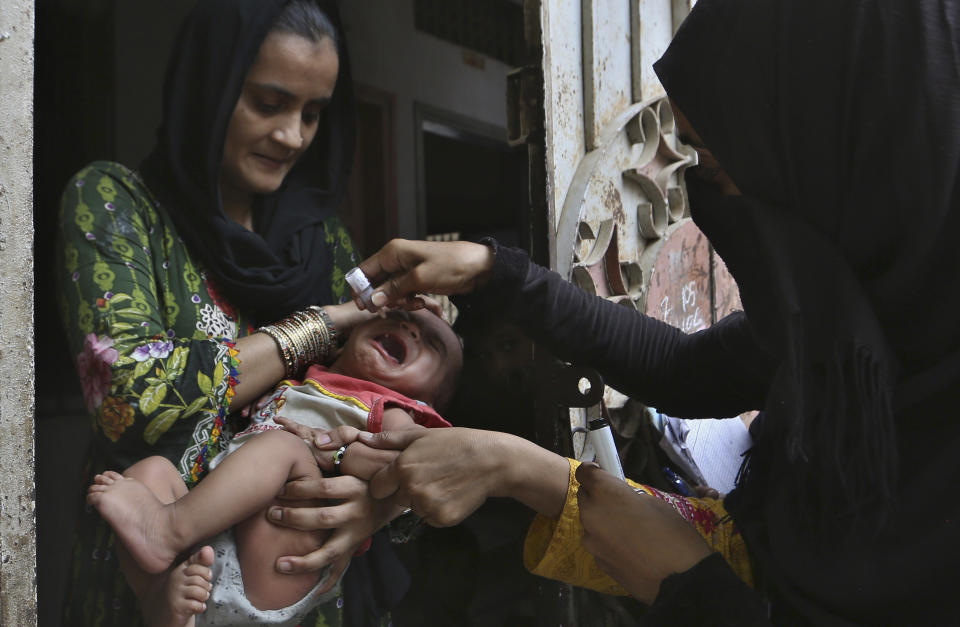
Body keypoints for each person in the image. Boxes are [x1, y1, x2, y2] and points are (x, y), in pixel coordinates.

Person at [263, 0, 960, 623]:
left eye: (715, 165)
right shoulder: (849, 317)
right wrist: (495, 270)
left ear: (836, 152)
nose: (700, 198)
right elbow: (686, 366)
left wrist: (681, 576)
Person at [55, 1, 391, 625]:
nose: (292, 135)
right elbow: (136, 401)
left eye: (312, 114)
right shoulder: (115, 206)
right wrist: (315, 327)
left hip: (301, 590)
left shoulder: (325, 244)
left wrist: (371, 504)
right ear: (210, 87)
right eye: (268, 103)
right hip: (154, 589)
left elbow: (378, 406)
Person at [87, 309, 462, 627]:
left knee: (285, 447)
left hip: (286, 550)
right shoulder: (300, 381)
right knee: (151, 471)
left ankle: (166, 529)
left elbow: (415, 463)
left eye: (432, 343)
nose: (409, 328)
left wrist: (344, 455)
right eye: (396, 317)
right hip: (211, 540)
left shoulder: (392, 410)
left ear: (429, 400)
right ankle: (158, 599)